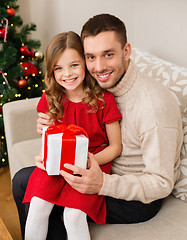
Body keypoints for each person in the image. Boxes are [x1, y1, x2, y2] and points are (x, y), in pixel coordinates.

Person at [12, 13, 183, 239]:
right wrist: (50, 130)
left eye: (108, 55)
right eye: (91, 57)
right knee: (23, 181)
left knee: (56, 207)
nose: (99, 66)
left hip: (133, 196)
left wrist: (101, 183)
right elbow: (74, 112)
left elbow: (160, 183)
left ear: (127, 51)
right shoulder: (100, 83)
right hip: (93, 167)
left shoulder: (154, 106)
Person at [22, 31, 122, 240]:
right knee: (38, 205)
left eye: (74, 65)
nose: (67, 74)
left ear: (85, 63)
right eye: (59, 68)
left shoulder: (104, 100)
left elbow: (115, 147)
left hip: (90, 163)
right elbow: (47, 135)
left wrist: (88, 161)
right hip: (57, 162)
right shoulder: (51, 97)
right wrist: (44, 153)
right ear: (51, 70)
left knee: (74, 216)